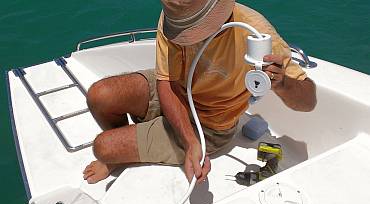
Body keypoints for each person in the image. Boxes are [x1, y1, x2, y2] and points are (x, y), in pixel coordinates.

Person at [83, 0, 316, 184]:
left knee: (103, 148)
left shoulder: (255, 31)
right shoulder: (177, 14)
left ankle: (121, 150)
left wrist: (281, 83)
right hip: (177, 88)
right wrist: (188, 140)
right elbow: (166, 82)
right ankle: (128, 146)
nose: (188, 38)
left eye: (194, 30)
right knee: (99, 95)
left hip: (210, 125)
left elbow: (308, 102)